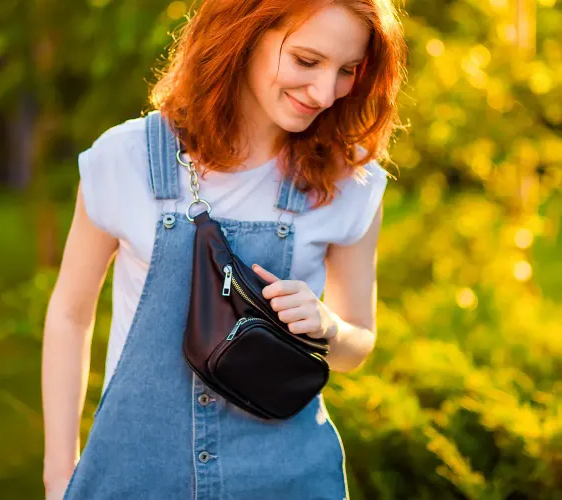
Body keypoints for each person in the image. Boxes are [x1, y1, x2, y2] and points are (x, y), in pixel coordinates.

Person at [41, 0, 406, 498]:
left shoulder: (351, 182)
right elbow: (70, 315)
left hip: (287, 482)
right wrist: (59, 473)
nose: (325, 92)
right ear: (243, 33)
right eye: (305, 60)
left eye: (346, 71)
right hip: (136, 479)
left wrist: (327, 326)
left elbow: (357, 343)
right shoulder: (123, 159)